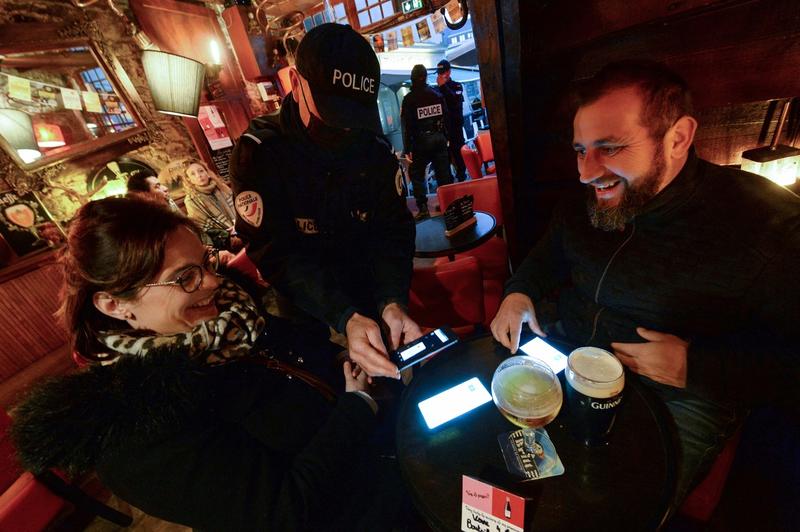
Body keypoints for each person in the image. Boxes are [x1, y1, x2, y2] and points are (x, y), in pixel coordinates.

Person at [490, 60, 800, 505]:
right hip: (569, 351)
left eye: (610, 148)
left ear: (677, 138)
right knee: (502, 465)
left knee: (610, 508)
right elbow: (550, 254)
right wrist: (519, 291)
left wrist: (696, 367)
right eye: (580, 150)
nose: (585, 172)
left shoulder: (765, 224)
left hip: (676, 394)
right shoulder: (588, 198)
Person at [9, 196, 406, 531]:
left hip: (383, 460)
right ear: (114, 304)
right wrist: (357, 407)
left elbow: (301, 349)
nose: (212, 282)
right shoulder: (132, 430)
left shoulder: (230, 317)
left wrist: (345, 356)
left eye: (206, 263)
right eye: (184, 278)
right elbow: (283, 510)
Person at [230, 23, 420, 380]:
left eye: (354, 118)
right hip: (305, 309)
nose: (345, 130)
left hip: (369, 294)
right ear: (296, 83)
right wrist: (341, 315)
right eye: (332, 116)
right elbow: (275, 253)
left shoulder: (373, 150)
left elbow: (392, 232)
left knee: (394, 388)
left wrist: (392, 301)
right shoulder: (260, 153)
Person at [401, 64, 453, 219]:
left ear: (413, 77)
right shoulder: (436, 94)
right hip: (439, 138)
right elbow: (446, 117)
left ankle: (423, 208)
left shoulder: (409, 99)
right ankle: (447, 204)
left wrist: (407, 148)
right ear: (425, 77)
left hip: (421, 141)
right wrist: (447, 137)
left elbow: (407, 126)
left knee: (416, 174)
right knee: (443, 172)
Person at [181, 158, 239, 251]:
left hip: (241, 229)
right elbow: (202, 228)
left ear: (207, 173)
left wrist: (238, 225)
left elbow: (238, 205)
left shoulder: (221, 186)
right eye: (193, 174)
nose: (199, 175)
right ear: (189, 179)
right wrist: (228, 233)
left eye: (201, 171)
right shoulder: (191, 200)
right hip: (224, 241)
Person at [436, 59, 467, 182]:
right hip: (444, 129)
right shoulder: (436, 89)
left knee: (459, 153)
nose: (441, 75)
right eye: (439, 72)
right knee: (445, 156)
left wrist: (443, 86)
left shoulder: (457, 86)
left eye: (443, 72)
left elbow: (454, 101)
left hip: (455, 127)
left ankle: (462, 177)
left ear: (449, 72)